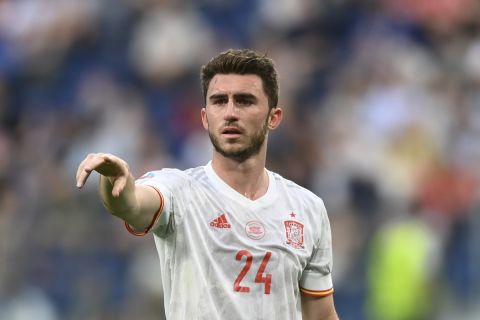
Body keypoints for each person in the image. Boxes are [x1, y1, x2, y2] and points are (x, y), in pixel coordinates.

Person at [76, 49, 339, 320]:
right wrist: (112, 180)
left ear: (273, 117)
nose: (230, 113)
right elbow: (129, 204)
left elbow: (321, 315)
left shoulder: (307, 208)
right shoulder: (179, 190)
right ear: (204, 117)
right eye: (219, 101)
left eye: (245, 101)